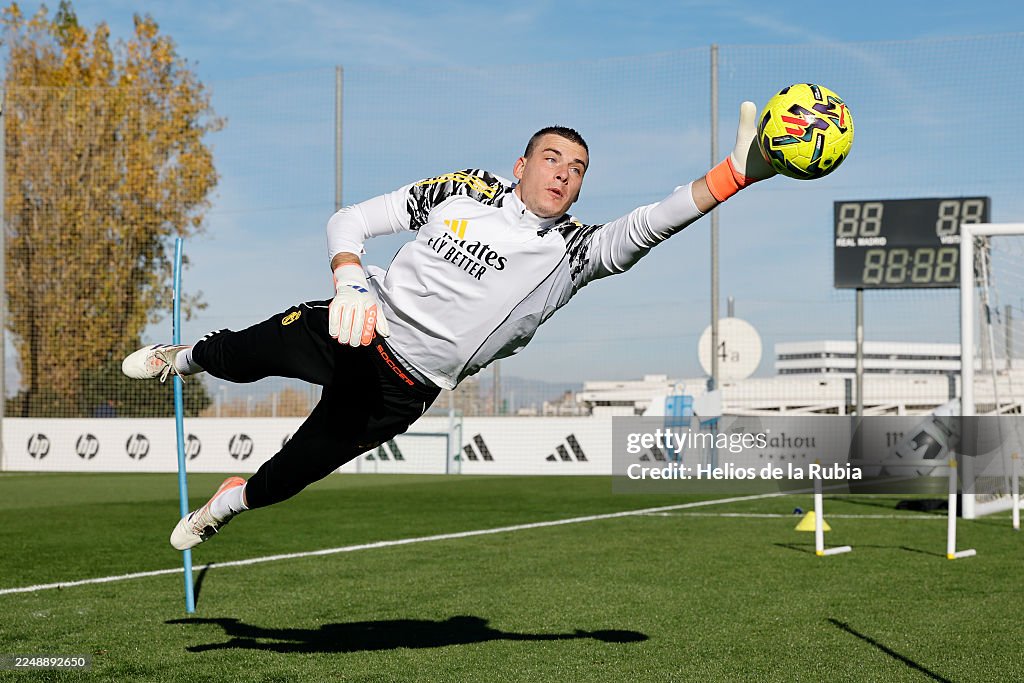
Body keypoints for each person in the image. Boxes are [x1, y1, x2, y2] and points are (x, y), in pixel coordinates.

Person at [122, 102, 776, 550]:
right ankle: (183, 358)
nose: (563, 173)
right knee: (239, 356)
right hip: (359, 324)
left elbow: (651, 222)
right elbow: (350, 220)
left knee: (289, 475)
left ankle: (225, 505)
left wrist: (734, 176)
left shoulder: (576, 251)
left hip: (404, 388)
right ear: (520, 166)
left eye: (576, 169)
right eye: (551, 158)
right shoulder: (464, 188)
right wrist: (350, 279)